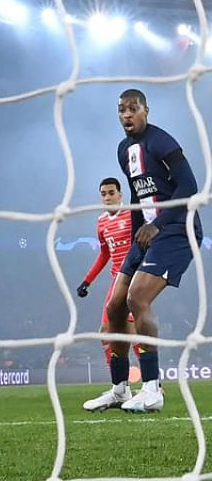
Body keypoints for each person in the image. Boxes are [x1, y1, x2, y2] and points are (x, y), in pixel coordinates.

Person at [97, 88, 203, 413]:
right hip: (144, 235)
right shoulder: (123, 150)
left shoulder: (162, 142)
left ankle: (152, 389)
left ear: (146, 110)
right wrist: (134, 237)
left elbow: (189, 186)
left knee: (136, 299)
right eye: (121, 110)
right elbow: (134, 196)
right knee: (115, 307)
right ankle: (119, 389)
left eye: (133, 109)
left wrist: (158, 224)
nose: (126, 115)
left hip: (175, 229)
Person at [79, 176, 145, 411]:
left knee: (127, 331)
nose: (107, 197)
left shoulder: (132, 215)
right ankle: (122, 387)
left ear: (120, 194)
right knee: (107, 333)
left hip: (133, 279)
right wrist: (87, 280)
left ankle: (148, 385)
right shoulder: (101, 223)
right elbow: (104, 254)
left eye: (111, 193)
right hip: (115, 281)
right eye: (103, 194)